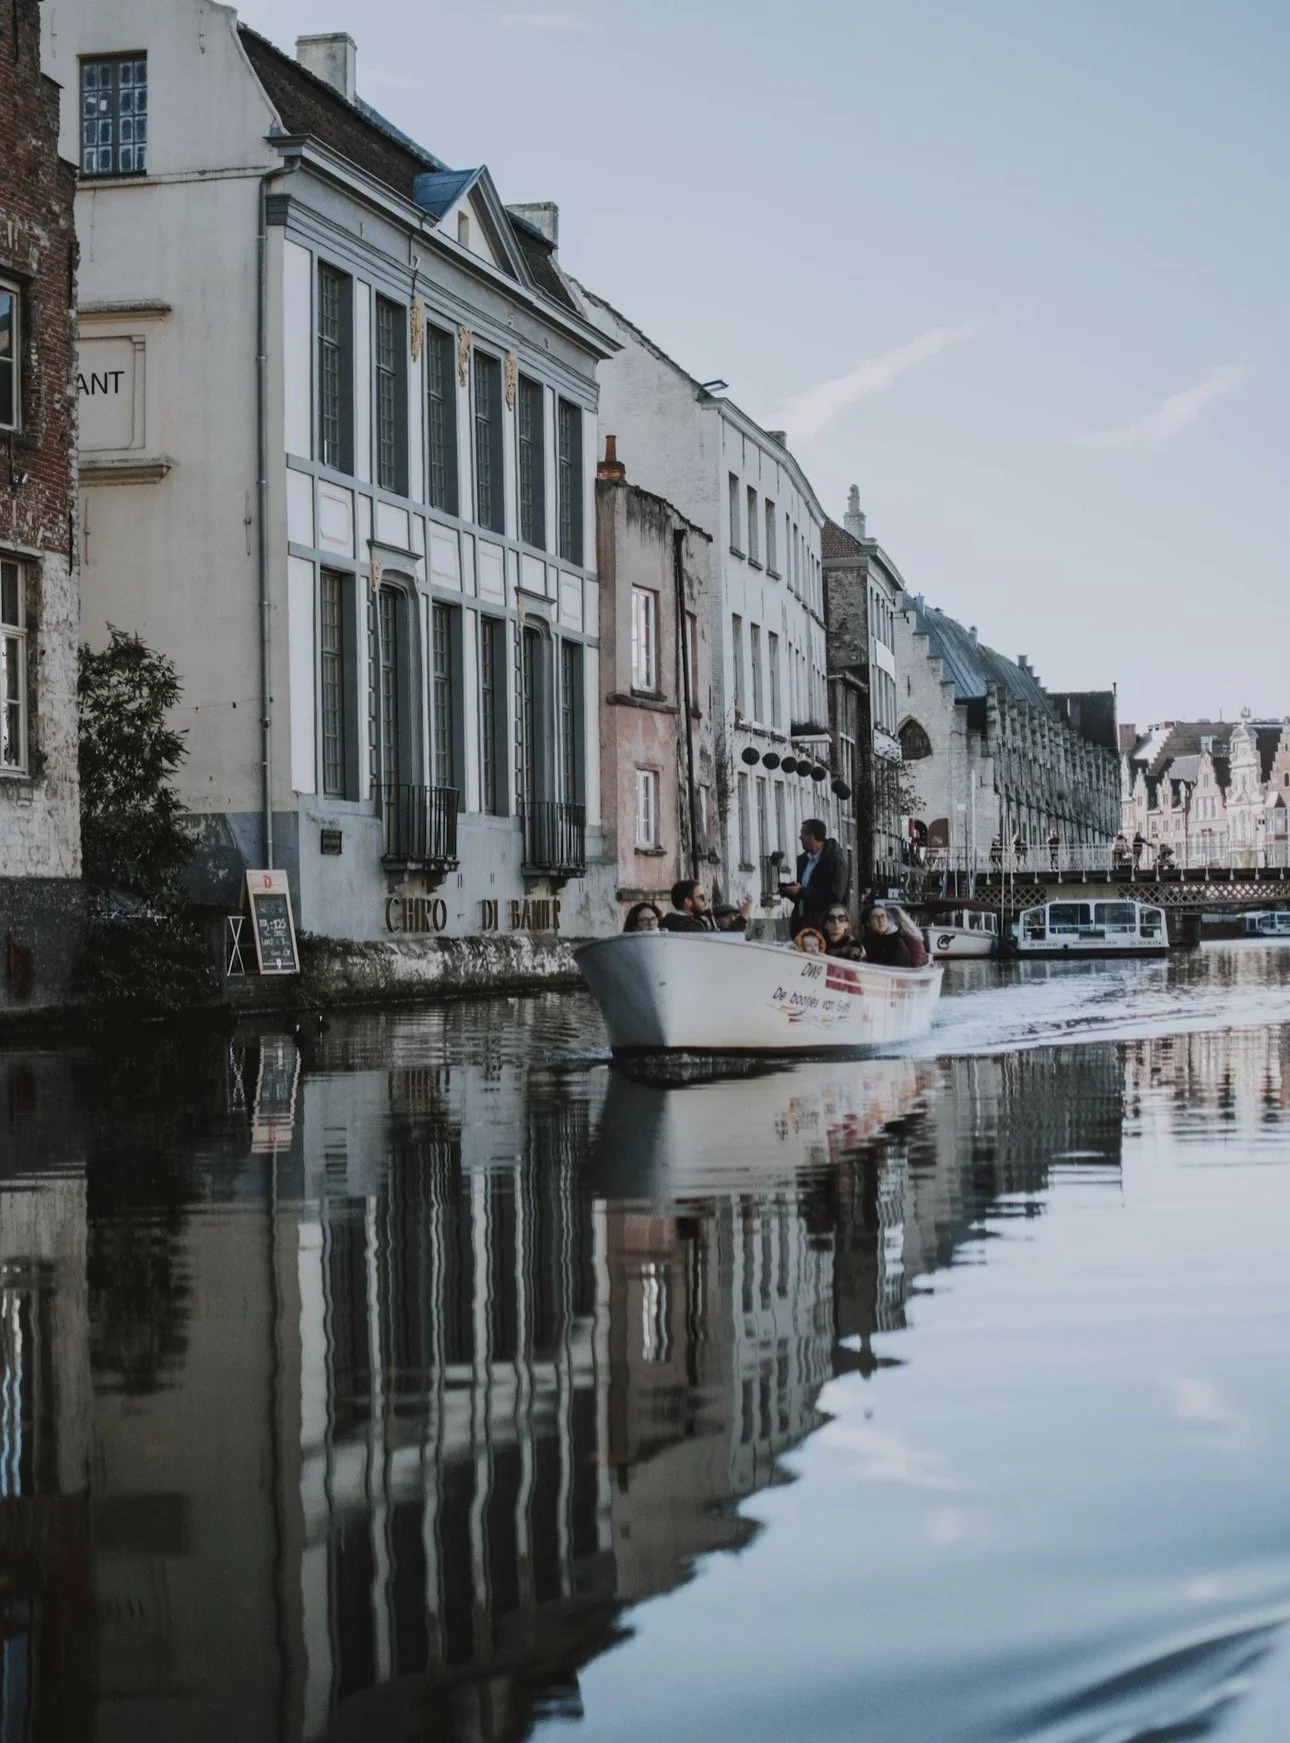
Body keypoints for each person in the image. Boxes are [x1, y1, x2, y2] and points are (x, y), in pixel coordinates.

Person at [782, 819, 850, 937]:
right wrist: (791, 892)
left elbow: (835, 896)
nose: (800, 837)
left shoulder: (836, 860)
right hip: (802, 924)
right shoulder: (803, 860)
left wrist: (802, 891)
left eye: (802, 834)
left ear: (811, 836)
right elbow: (805, 896)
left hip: (826, 927)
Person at [660, 880, 753, 934]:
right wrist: (742, 919)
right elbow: (718, 945)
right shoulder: (690, 926)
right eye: (701, 897)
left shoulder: (670, 919)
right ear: (687, 901)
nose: (706, 901)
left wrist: (742, 919)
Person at [861, 903, 929, 969]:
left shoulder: (903, 938)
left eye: (883, 916)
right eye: (875, 917)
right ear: (868, 923)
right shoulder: (866, 942)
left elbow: (915, 966)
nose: (880, 920)